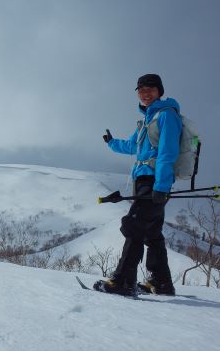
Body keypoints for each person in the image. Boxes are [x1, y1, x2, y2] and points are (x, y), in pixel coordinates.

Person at [94, 73, 181, 296]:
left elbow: (167, 153)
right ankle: (161, 283)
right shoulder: (146, 121)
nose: (145, 93)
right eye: (141, 90)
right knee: (152, 232)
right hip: (143, 179)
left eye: (150, 89)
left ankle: (123, 281)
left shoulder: (166, 116)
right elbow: (133, 146)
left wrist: (161, 186)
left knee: (134, 225)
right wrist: (112, 143)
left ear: (159, 91)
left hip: (155, 181)